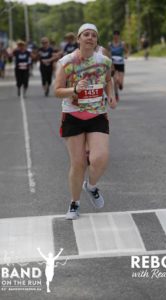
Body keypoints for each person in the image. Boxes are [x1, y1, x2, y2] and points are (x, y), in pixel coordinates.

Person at [54, 23, 117, 220]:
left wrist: (111, 95)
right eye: (86, 34)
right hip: (73, 115)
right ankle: (74, 203)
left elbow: (108, 80)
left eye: (94, 35)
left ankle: (91, 186)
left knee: (100, 158)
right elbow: (57, 90)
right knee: (78, 163)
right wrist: (74, 90)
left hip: (97, 114)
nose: (90, 37)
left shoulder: (104, 61)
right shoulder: (67, 62)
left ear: (97, 41)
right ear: (79, 39)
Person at [108, 30, 128, 102]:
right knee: (115, 80)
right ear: (113, 36)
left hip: (121, 63)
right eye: (115, 35)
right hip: (113, 64)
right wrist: (109, 59)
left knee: (120, 82)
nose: (116, 36)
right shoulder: (110, 44)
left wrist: (126, 55)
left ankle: (120, 84)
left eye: (117, 35)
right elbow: (109, 53)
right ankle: (116, 94)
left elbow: (126, 51)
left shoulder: (122, 44)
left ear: (118, 36)